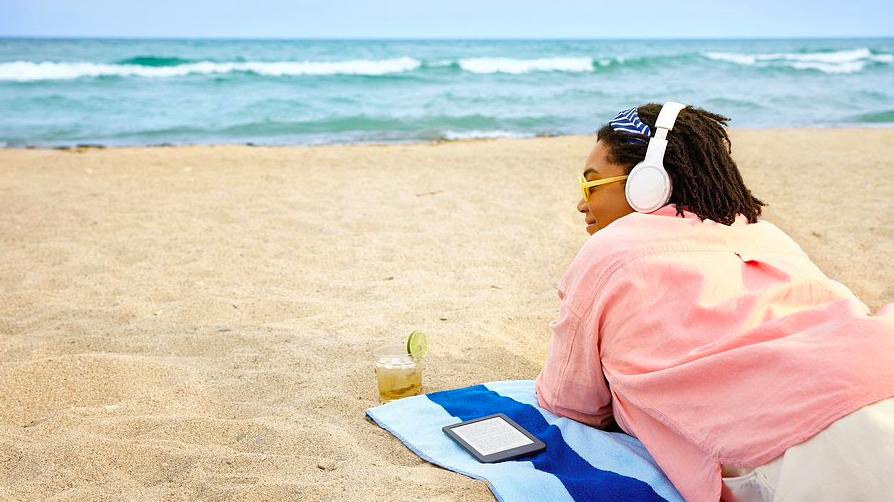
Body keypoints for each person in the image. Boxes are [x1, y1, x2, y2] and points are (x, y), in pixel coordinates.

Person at [535, 102, 894, 502]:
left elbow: (570, 402)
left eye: (591, 184)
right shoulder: (767, 234)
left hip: (803, 443)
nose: (581, 203)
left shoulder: (610, 249)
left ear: (646, 182)